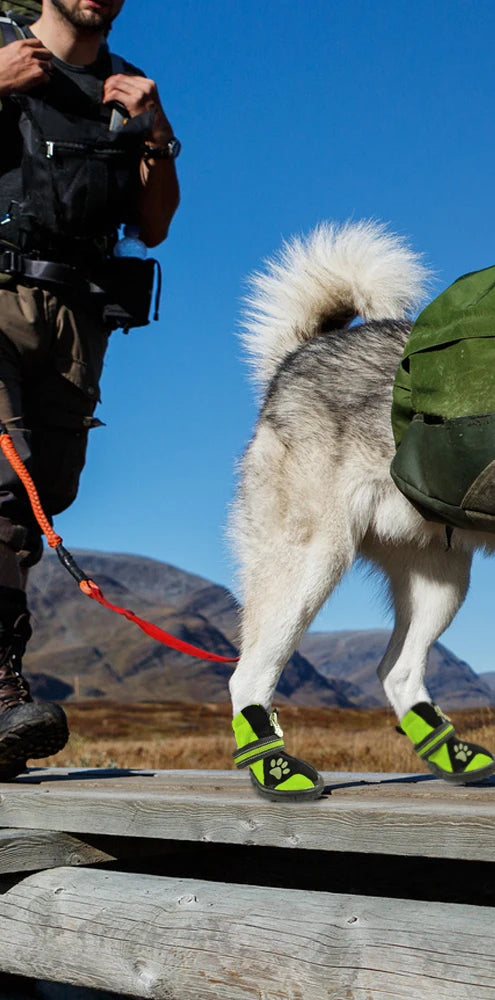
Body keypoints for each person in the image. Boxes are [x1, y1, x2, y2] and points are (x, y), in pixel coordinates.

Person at [0, 0, 179, 777]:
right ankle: (4, 694)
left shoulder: (127, 86)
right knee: (5, 485)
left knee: (44, 492)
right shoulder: (3, 51)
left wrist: (158, 134)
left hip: (77, 317)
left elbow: (156, 224)